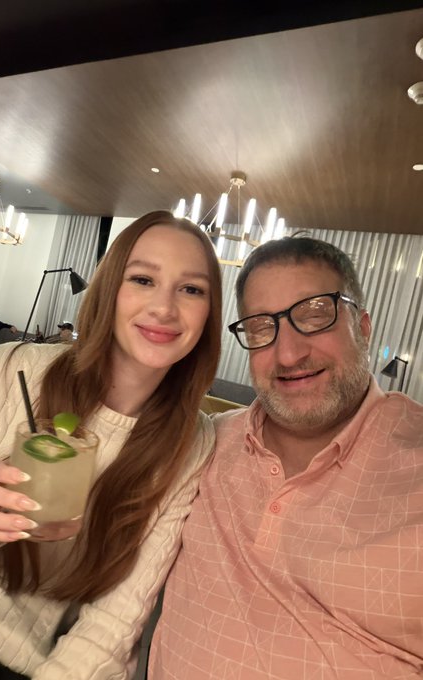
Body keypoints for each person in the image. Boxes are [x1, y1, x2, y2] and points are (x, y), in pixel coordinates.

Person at [0, 210, 222, 680]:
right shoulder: (14, 367)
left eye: (192, 289)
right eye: (142, 279)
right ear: (109, 290)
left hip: (23, 655)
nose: (164, 308)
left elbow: (115, 623)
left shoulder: (192, 442)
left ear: (210, 314)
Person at [149, 236, 423, 679]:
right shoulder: (204, 445)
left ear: (363, 327)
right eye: (260, 327)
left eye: (315, 316)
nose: (290, 354)